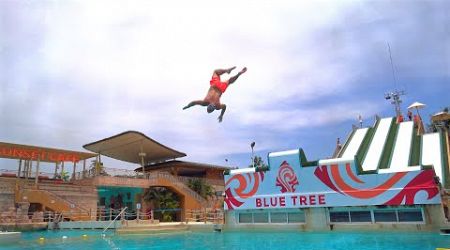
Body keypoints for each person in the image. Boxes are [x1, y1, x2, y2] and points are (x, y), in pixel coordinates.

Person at [183, 66, 247, 122]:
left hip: (221, 87)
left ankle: (238, 74)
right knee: (216, 72)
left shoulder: (217, 106)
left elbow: (224, 106)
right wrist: (188, 106)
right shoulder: (205, 102)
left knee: (229, 81)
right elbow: (194, 102)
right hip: (215, 85)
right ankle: (226, 71)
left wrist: (221, 115)